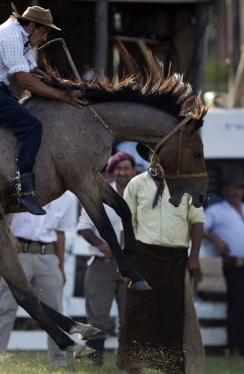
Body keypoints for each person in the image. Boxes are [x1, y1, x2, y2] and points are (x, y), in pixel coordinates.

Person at [0, 5, 86, 215]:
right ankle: (26, 190)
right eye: (44, 31)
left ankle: (14, 174)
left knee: (33, 118)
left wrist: (60, 83)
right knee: (31, 126)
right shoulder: (10, 36)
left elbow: (33, 72)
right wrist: (63, 96)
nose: (45, 38)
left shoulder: (20, 37)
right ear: (30, 25)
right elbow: (25, 81)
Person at [117, 145, 205, 374]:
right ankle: (134, 366)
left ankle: (172, 366)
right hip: (143, 256)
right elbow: (126, 223)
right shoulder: (136, 184)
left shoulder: (186, 185)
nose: (158, 160)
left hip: (176, 258)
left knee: (173, 315)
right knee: (137, 314)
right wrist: (125, 260)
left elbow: (197, 221)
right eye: (153, 155)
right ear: (148, 158)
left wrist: (194, 257)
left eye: (162, 155)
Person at [0, 191, 78, 368]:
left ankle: (58, 361)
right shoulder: (24, 188)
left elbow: (61, 235)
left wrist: (61, 267)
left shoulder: (68, 199)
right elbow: (0, 213)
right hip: (19, 255)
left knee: (56, 309)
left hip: (48, 256)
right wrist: (9, 232)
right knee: (6, 307)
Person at [76, 152, 135, 366]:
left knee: (129, 312)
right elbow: (84, 227)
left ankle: (126, 360)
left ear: (133, 170)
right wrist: (103, 245)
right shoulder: (98, 194)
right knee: (97, 314)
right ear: (112, 171)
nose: (122, 172)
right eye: (118, 168)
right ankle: (95, 361)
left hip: (130, 263)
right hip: (103, 262)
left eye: (127, 168)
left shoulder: (140, 194)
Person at [203, 174, 244, 358]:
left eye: (239, 188)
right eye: (232, 188)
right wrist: (216, 238)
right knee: (240, 306)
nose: (235, 191)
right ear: (225, 191)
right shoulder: (216, 210)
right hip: (234, 265)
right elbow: (201, 229)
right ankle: (235, 349)